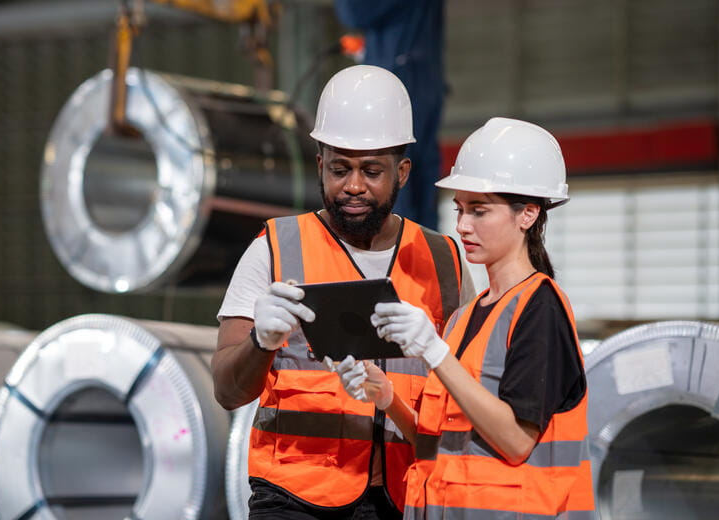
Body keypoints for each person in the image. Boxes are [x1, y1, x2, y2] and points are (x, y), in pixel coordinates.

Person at [212, 64, 476, 519]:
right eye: (339, 169)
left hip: (405, 495)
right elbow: (227, 390)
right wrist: (261, 343)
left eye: (372, 171)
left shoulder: (444, 261)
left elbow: (466, 397)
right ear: (320, 165)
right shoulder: (274, 248)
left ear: (404, 171)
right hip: (293, 495)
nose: (353, 186)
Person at [335, 117, 596, 519]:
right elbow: (437, 444)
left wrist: (435, 354)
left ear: (527, 214)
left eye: (479, 211)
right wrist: (387, 399)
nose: (462, 226)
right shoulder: (462, 319)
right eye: (459, 209)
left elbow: (515, 441)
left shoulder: (540, 308)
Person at [334, 0, 445, 229]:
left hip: (397, 80)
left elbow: (356, 12)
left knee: (392, 173)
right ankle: (425, 255)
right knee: (418, 178)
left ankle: (402, 255)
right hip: (421, 78)